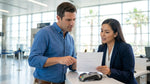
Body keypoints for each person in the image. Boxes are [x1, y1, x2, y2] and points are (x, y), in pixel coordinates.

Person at [28, 2, 77, 84]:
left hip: (62, 82)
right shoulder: (44, 33)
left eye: (74, 19)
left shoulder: (70, 39)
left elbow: (71, 64)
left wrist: (76, 64)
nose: (72, 23)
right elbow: (33, 60)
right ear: (58, 18)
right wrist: (58, 60)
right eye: (68, 20)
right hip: (44, 82)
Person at [96, 18, 137, 84]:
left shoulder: (125, 48)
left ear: (115, 34)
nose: (102, 34)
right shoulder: (101, 48)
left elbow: (129, 75)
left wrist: (110, 71)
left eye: (107, 32)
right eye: (101, 31)